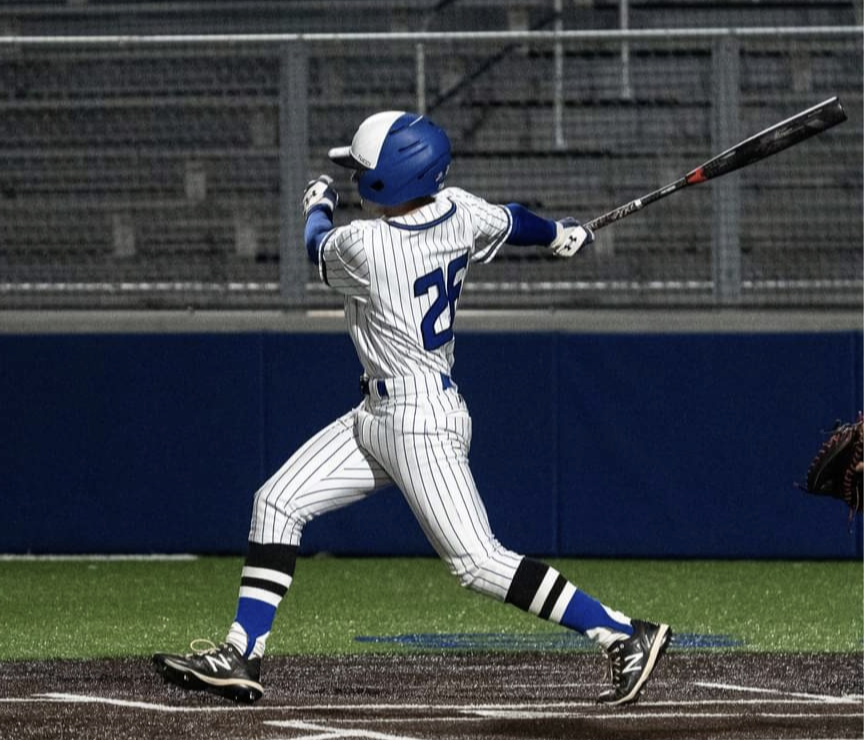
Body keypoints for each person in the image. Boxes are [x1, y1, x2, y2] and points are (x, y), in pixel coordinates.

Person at [152, 110, 671, 707]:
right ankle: (242, 653)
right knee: (276, 502)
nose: (353, 179)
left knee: (478, 563)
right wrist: (558, 234)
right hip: (379, 415)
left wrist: (316, 204)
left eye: (361, 171)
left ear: (389, 179)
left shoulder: (365, 245)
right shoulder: (459, 210)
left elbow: (316, 243)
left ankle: (623, 634)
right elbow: (513, 219)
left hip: (418, 422)